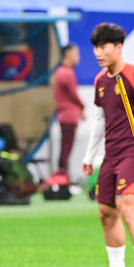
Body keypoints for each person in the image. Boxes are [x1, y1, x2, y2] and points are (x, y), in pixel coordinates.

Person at [82, 23, 134, 267]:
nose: (98, 53)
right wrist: (90, 157)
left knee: (127, 206)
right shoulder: (100, 80)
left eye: (103, 47)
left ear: (119, 47)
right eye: (95, 48)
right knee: (106, 211)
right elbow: (99, 120)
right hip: (110, 156)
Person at [53, 43, 84, 176]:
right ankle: (62, 175)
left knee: (66, 147)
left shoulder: (63, 72)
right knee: (66, 147)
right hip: (68, 117)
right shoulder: (66, 73)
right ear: (68, 54)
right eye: (76, 54)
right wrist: (83, 106)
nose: (78, 57)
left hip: (67, 116)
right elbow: (74, 95)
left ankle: (63, 174)